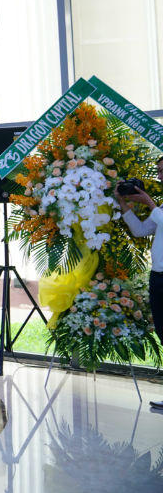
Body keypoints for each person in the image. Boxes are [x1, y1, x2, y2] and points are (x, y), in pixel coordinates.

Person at [114, 155, 163, 410]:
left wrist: (149, 203)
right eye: (159, 171)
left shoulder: (158, 208)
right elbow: (141, 230)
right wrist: (123, 204)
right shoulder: (161, 208)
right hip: (158, 277)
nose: (160, 176)